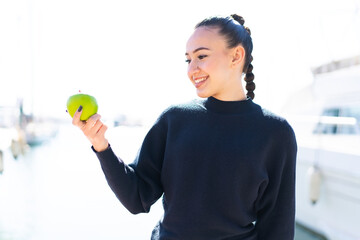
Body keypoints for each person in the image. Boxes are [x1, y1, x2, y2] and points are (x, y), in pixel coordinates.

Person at [72, 14, 297, 240]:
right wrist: (101, 145)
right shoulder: (174, 120)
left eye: (201, 56)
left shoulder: (275, 133)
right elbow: (136, 198)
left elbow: (278, 228)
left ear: (236, 56)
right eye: (188, 60)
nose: (192, 69)